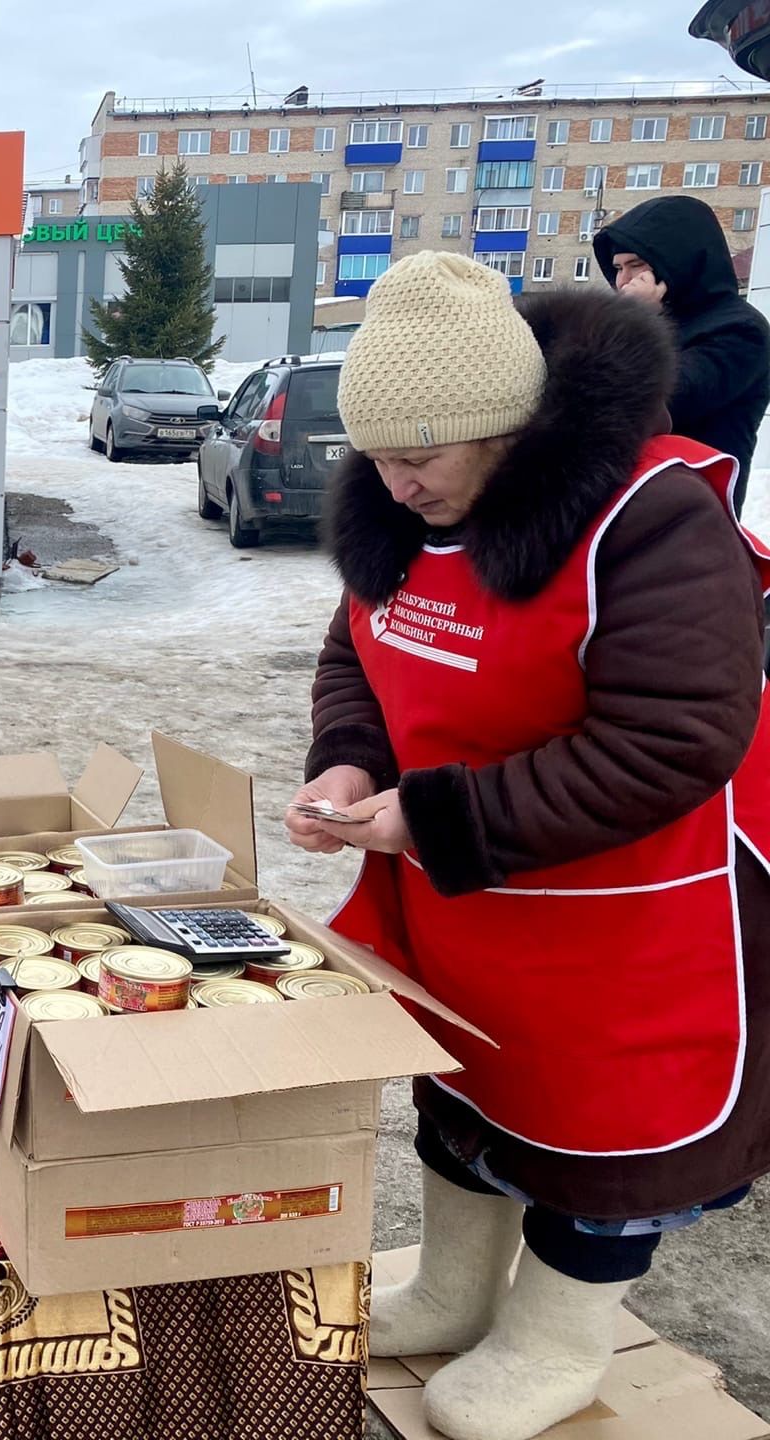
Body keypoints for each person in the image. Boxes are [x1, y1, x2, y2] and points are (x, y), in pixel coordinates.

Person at [286, 254, 770, 1440]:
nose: (395, 487)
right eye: (377, 458)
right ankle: (454, 1291)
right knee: (466, 1091)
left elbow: (671, 741)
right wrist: (351, 761)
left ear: (505, 424)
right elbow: (360, 651)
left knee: (602, 1133)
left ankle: (559, 1337)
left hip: (636, 912)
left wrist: (436, 819)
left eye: (421, 457)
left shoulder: (647, 520)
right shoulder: (398, 517)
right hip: (467, 898)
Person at [594, 193, 770, 502]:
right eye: (618, 268)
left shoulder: (741, 330)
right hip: (628, 506)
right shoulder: (662, 318)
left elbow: (654, 402)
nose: (623, 282)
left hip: (693, 517)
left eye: (636, 265)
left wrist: (638, 321)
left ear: (678, 261)